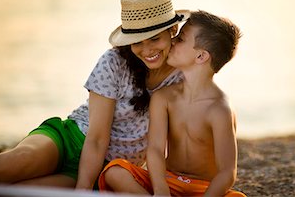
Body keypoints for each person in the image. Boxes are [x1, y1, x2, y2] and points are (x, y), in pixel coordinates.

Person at [0, 0, 190, 189]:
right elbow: (96, 138)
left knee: (19, 192)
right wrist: (83, 190)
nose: (147, 50)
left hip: (106, 170)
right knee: (19, 161)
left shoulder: (184, 77)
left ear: (172, 30)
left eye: (155, 38)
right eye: (137, 42)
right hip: (68, 141)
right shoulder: (114, 62)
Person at [98, 10, 246, 196]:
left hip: (203, 189)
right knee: (115, 172)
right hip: (167, 181)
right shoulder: (163, 97)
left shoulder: (219, 109)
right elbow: (156, 150)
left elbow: (227, 173)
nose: (173, 41)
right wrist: (161, 189)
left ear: (201, 56)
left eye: (181, 38)